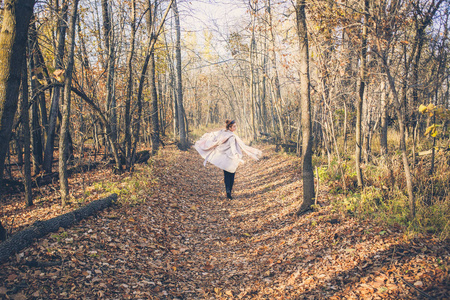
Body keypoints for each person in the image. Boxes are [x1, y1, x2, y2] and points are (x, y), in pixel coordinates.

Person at [194, 120, 262, 199]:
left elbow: (215, 137)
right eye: (234, 126)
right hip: (231, 158)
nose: (235, 128)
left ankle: (228, 191)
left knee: (226, 175)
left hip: (223, 158)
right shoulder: (232, 137)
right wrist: (236, 155)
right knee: (231, 175)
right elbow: (233, 148)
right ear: (230, 127)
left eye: (235, 126)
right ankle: (229, 191)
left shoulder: (223, 133)